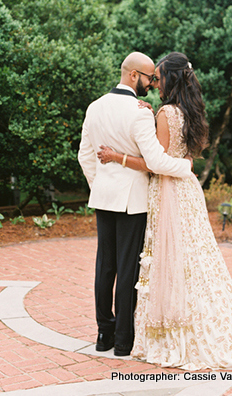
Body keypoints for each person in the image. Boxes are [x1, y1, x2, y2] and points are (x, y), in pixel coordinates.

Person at [97, 52, 232, 370]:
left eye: (158, 78)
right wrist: (186, 166)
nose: (154, 83)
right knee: (194, 260)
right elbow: (183, 153)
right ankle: (201, 319)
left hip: (169, 190)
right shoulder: (191, 111)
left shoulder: (165, 113)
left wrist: (117, 156)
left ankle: (172, 330)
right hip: (189, 193)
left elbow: (153, 163)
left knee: (168, 260)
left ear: (170, 79)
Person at [77, 52, 192, 357]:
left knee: (105, 265)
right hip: (133, 200)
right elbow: (155, 161)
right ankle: (123, 340)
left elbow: (84, 156)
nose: (153, 83)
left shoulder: (95, 106)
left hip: (104, 197)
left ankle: (104, 334)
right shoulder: (139, 112)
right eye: (149, 77)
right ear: (132, 76)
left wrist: (100, 184)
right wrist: (185, 167)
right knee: (128, 267)